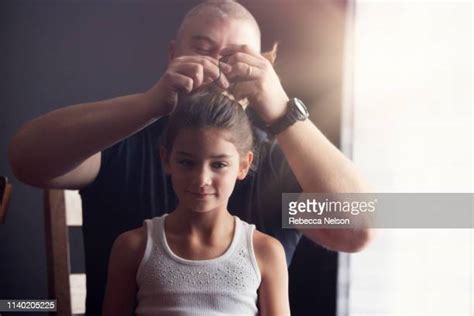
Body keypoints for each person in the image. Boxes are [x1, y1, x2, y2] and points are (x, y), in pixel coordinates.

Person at [8, 1, 372, 314]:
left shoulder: (278, 168)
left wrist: (281, 110)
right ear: (172, 55)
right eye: (202, 49)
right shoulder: (125, 143)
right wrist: (150, 103)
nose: (218, 67)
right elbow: (25, 160)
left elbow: (360, 230)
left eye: (237, 55)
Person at [102, 89, 290, 315]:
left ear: (243, 165)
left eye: (219, 165)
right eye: (186, 163)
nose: (202, 180)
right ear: (166, 159)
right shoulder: (134, 247)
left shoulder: (265, 252)